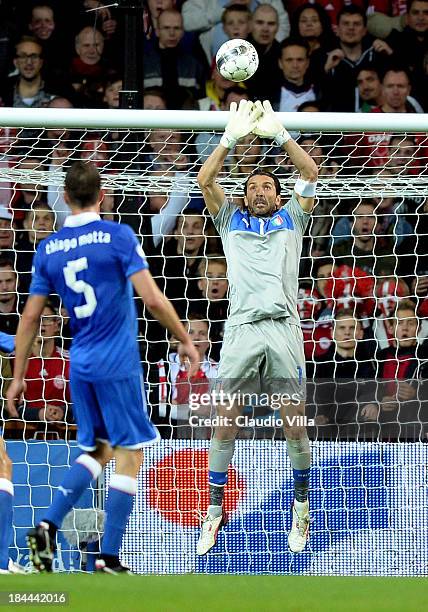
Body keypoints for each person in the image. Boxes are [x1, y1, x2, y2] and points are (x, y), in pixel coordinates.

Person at [7, 161, 199, 574]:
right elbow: (151, 299)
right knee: (130, 454)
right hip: (118, 361)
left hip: (81, 362)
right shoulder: (117, 237)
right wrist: (184, 337)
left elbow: (29, 318)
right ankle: (108, 556)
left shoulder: (49, 249)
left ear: (63, 197)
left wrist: (19, 376)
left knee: (99, 448)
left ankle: (46, 525)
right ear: (103, 195)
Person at [196, 99, 318, 555]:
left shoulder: (294, 217)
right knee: (224, 426)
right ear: (244, 196)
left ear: (278, 195)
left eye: (268, 186)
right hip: (242, 330)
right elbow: (205, 180)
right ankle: (214, 510)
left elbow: (311, 174)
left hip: (284, 329)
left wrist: (279, 133)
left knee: (294, 426)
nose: (261, 191)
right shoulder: (229, 220)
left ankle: (302, 508)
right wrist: (229, 139)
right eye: (253, 187)